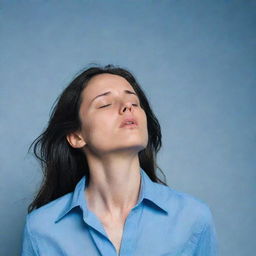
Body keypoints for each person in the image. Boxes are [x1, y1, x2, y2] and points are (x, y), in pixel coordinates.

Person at [21, 64, 219, 256]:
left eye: (135, 103)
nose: (127, 107)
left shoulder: (193, 217)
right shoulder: (41, 228)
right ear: (76, 136)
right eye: (105, 104)